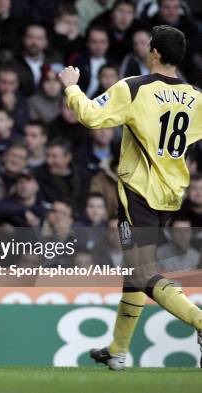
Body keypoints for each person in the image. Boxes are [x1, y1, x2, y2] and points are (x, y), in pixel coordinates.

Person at [58, 25, 202, 370]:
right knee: (135, 271)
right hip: (171, 192)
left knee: (142, 272)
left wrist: (72, 87)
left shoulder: (135, 87)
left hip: (139, 190)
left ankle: (198, 320)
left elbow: (91, 116)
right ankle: (118, 350)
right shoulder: (197, 96)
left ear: (153, 53)